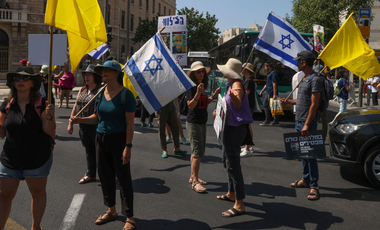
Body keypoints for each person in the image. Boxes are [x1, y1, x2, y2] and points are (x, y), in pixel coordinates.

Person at [70, 60, 137, 230]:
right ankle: (111, 210)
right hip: (100, 138)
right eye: (103, 71)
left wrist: (128, 146)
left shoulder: (126, 95)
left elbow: (130, 124)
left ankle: (129, 216)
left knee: (123, 178)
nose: (104, 73)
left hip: (119, 139)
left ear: (117, 74)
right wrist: (80, 120)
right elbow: (96, 117)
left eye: (108, 70)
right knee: (105, 176)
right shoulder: (100, 92)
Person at [0, 67, 56, 230]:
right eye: (17, 78)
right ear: (13, 83)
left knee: (37, 193)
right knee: (3, 195)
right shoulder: (7, 104)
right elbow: (2, 133)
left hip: (37, 158)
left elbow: (48, 130)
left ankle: (35, 227)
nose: (21, 81)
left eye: (25, 78)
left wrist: (51, 116)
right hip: (10, 157)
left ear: (33, 83)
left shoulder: (42, 103)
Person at [281, 50, 323, 201]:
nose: (297, 63)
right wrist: (288, 102)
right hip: (299, 121)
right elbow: (302, 101)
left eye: (298, 61)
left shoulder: (315, 79)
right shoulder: (304, 78)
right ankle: (305, 179)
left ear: (304, 62)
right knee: (302, 153)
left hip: (307, 124)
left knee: (311, 155)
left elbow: (314, 104)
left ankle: (314, 185)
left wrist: (306, 124)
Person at [214, 58, 253, 217]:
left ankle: (240, 203)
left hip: (235, 130)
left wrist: (234, 97)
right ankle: (231, 193)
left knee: (233, 166)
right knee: (228, 162)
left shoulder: (236, 85)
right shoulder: (231, 84)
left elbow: (237, 103)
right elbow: (231, 107)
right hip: (229, 128)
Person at [186, 61, 221, 193]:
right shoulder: (191, 87)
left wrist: (213, 96)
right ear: (193, 74)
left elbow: (204, 102)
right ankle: (195, 182)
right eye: (198, 72)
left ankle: (193, 176)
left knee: (197, 151)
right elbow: (191, 105)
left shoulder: (203, 85)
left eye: (202, 72)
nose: (201, 74)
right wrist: (198, 92)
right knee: (197, 153)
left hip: (202, 121)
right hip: (194, 122)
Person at [68, 65, 102, 184]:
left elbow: (97, 116)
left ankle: (108, 174)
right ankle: (91, 174)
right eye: (85, 75)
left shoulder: (100, 91)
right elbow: (76, 106)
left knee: (100, 152)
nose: (86, 77)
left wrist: (80, 120)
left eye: (89, 74)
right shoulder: (82, 89)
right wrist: (70, 122)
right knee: (89, 150)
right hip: (83, 127)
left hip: (95, 127)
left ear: (96, 76)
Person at [240, 63, 257, 157]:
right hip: (249, 106)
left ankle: (247, 149)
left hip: (248, 106)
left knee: (246, 127)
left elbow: (245, 94)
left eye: (243, 68)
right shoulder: (249, 80)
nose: (241, 70)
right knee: (248, 126)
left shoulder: (248, 81)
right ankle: (249, 146)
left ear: (247, 70)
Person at [259, 60, 279, 125]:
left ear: (268, 67)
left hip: (271, 92)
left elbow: (274, 83)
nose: (264, 68)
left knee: (269, 106)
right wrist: (262, 91)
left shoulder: (273, 73)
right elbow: (267, 84)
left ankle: (269, 120)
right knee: (271, 106)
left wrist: (274, 94)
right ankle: (274, 120)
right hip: (269, 92)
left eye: (265, 66)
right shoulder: (270, 74)